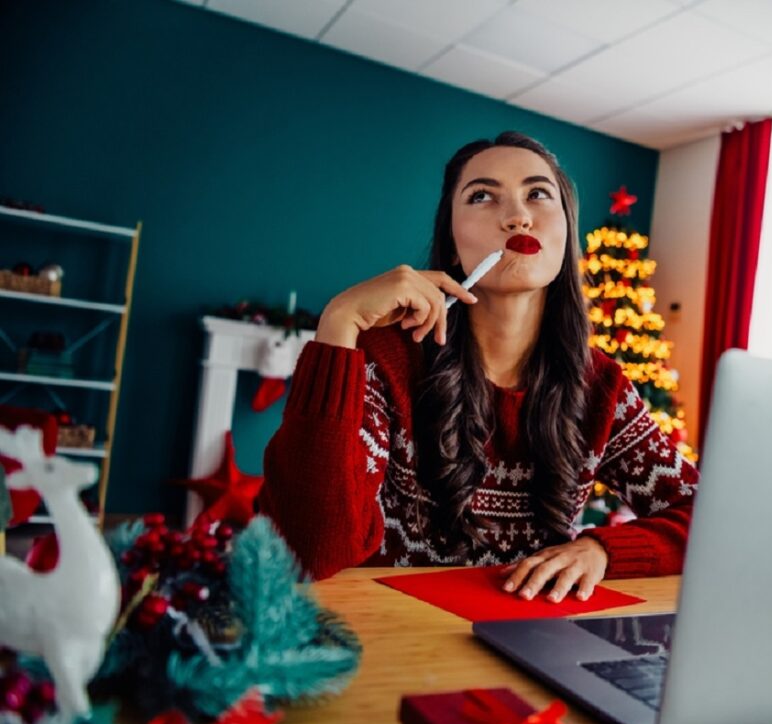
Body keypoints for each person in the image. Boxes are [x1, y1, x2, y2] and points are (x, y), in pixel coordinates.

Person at [260, 131, 698, 603]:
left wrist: (603, 550)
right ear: (451, 244)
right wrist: (339, 326)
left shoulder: (601, 386)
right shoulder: (385, 362)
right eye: (482, 196)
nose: (517, 216)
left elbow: (709, 516)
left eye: (538, 194)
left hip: (533, 640)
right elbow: (304, 551)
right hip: (391, 638)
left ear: (566, 232)